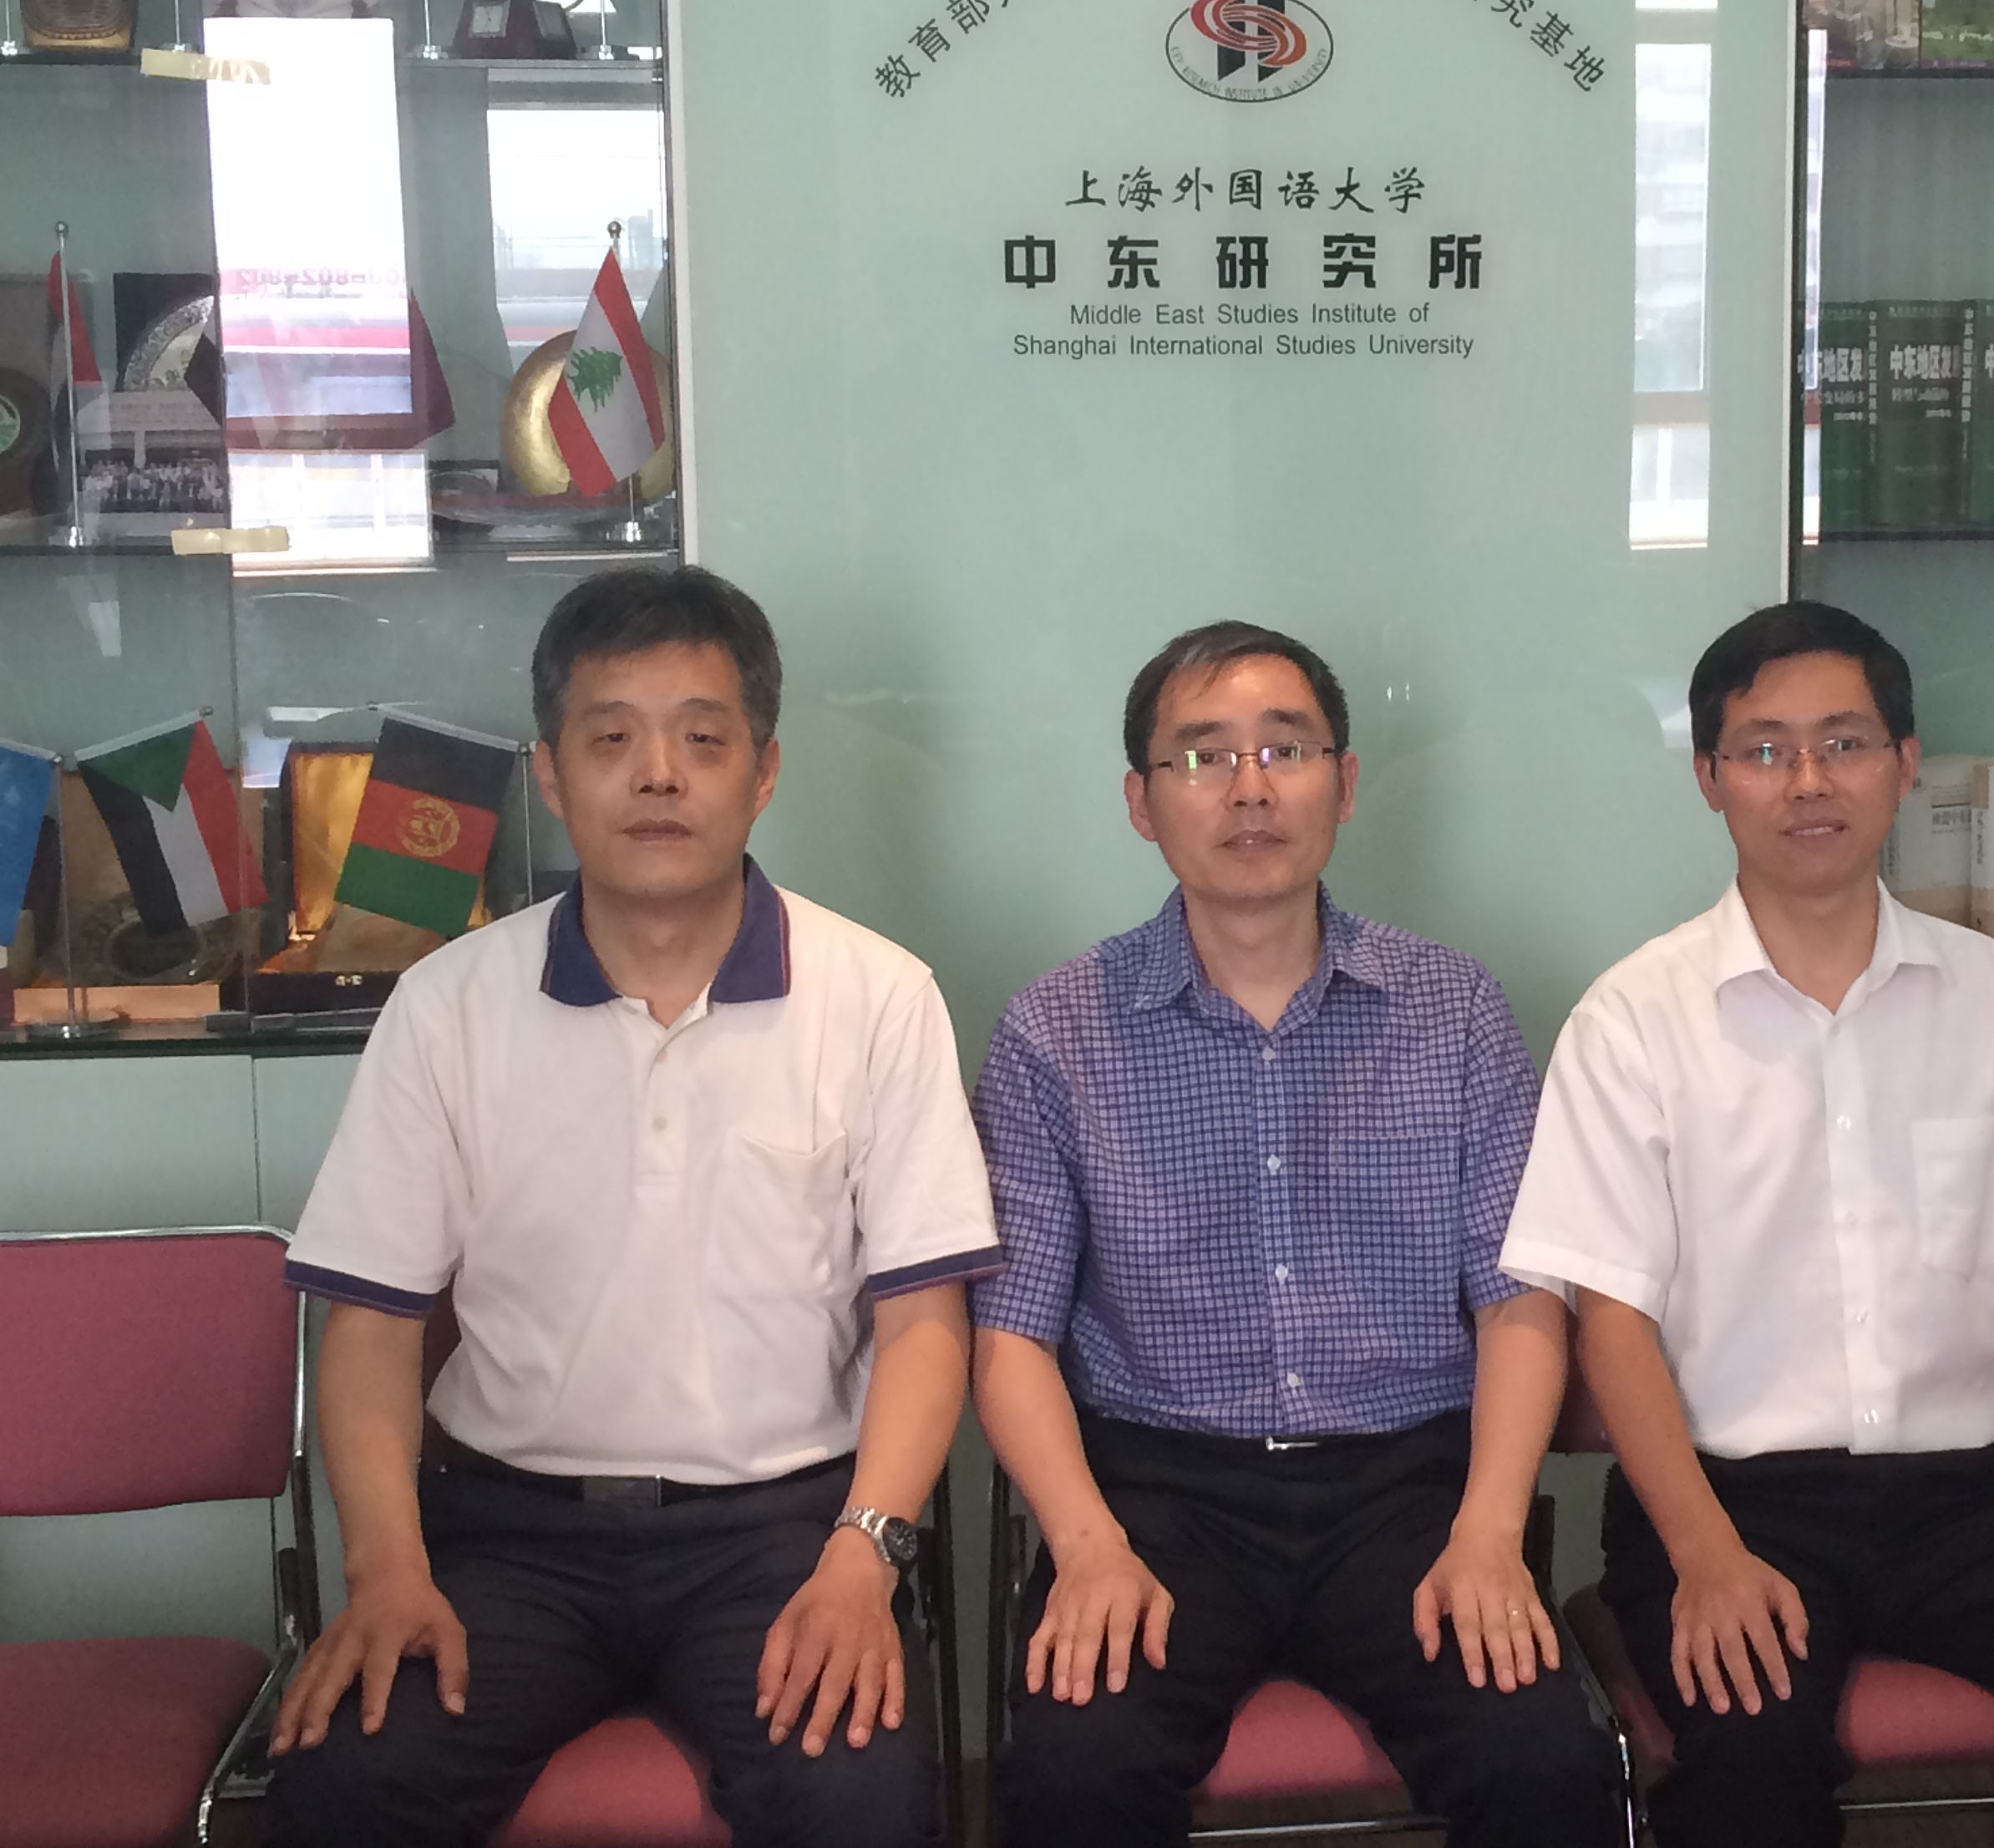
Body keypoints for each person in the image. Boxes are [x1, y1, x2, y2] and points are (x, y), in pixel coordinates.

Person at [1499, 599, 1994, 1847]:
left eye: (1844, 743)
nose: (1808, 780)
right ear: (1709, 779)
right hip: (1732, 1503)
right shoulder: (1633, 1021)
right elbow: (1612, 1321)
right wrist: (1702, 1553)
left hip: (1979, 1506)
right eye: (1765, 749)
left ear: (1905, 764)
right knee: (1750, 1755)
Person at [266, 566, 1000, 1848]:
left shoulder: (879, 997)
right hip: (508, 1539)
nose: (659, 775)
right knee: (352, 1780)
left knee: (859, 1797)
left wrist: (863, 1555)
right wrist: (385, 1568)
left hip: (781, 1534)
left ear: (763, 772)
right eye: (612, 739)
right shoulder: (448, 1007)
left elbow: (925, 1323)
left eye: (702, 740)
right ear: (551, 774)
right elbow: (372, 1326)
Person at [970, 621, 1619, 1848]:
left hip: (1408, 1491)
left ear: (1346, 782)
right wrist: (1088, 1546)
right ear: (1140, 802)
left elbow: (1521, 1299)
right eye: (1203, 757)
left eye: (1285, 749)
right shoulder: (1056, 1032)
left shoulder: (1454, 1010)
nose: (1250, 788)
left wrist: (1490, 1532)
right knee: (1071, 1775)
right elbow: (1009, 1336)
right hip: (1160, 1495)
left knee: (1541, 1762)